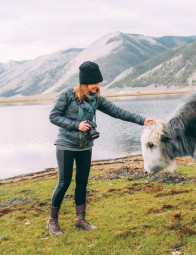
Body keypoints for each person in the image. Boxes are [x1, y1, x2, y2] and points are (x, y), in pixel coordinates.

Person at [47, 61, 155, 235]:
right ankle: (52, 221)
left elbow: (118, 112)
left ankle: (80, 220)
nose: (97, 86)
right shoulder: (67, 94)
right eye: (94, 83)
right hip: (66, 145)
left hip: (85, 146)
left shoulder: (96, 99)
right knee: (64, 183)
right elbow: (53, 116)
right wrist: (76, 125)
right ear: (84, 82)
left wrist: (142, 120)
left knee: (82, 183)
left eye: (98, 83)